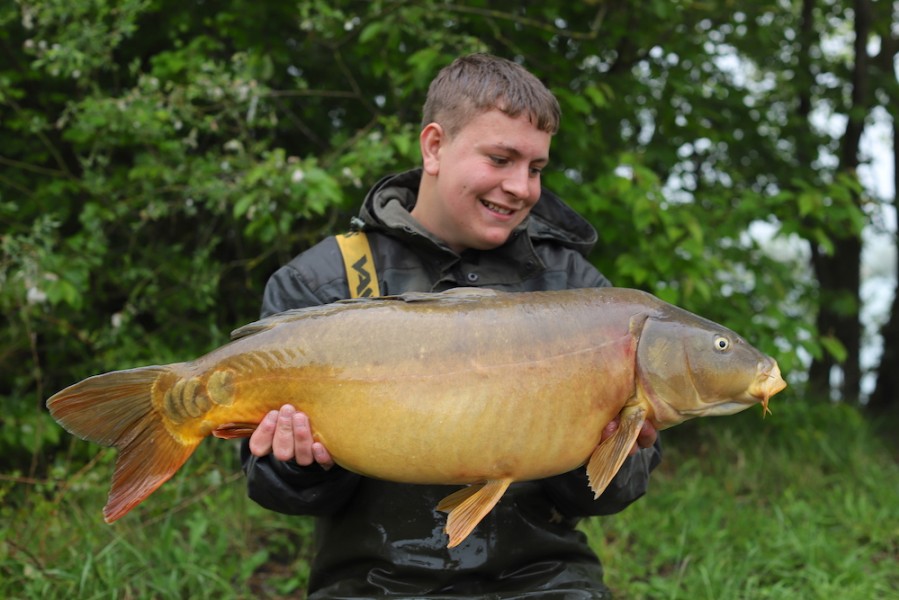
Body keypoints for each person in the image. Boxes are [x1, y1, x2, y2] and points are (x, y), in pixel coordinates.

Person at [241, 53, 661, 599]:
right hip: (374, 583)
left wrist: (607, 449)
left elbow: (604, 500)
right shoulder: (327, 283)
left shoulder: (575, 291)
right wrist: (300, 466)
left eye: (536, 169)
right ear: (434, 146)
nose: (520, 187)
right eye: (501, 159)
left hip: (544, 580)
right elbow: (276, 490)